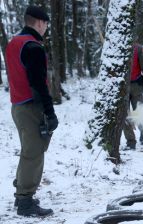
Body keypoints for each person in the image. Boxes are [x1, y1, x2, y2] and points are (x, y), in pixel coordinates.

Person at [5, 6, 58, 217]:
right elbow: (38, 84)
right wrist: (50, 112)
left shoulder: (13, 43)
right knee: (34, 153)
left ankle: (22, 191)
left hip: (17, 105)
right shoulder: (33, 47)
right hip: (30, 106)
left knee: (29, 151)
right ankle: (25, 201)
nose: (46, 29)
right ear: (39, 22)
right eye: (46, 24)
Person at [122, 43, 143, 150]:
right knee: (123, 113)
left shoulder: (138, 49)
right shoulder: (117, 48)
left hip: (136, 85)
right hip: (122, 86)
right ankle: (131, 141)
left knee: (138, 111)